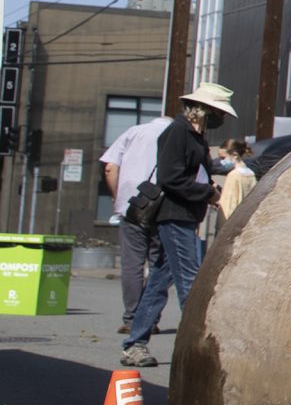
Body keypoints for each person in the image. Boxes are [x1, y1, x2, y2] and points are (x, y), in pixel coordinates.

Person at [119, 82, 234, 369]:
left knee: (159, 282)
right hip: (174, 215)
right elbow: (171, 178)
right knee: (190, 282)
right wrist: (207, 193)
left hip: (183, 214)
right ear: (202, 110)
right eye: (218, 112)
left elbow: (187, 174)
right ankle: (199, 347)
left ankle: (135, 344)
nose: (221, 119)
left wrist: (205, 190)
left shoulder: (193, 134)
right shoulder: (178, 133)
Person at [99, 108, 173, 332]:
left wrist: (116, 196)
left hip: (131, 206)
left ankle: (131, 319)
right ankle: (150, 319)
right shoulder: (178, 135)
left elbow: (110, 167)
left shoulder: (133, 132)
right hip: (164, 207)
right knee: (159, 265)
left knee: (132, 264)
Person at [205, 138, 256, 239]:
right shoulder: (251, 174)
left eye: (223, 158)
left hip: (229, 230)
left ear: (235, 155)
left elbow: (228, 207)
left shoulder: (233, 176)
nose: (221, 161)